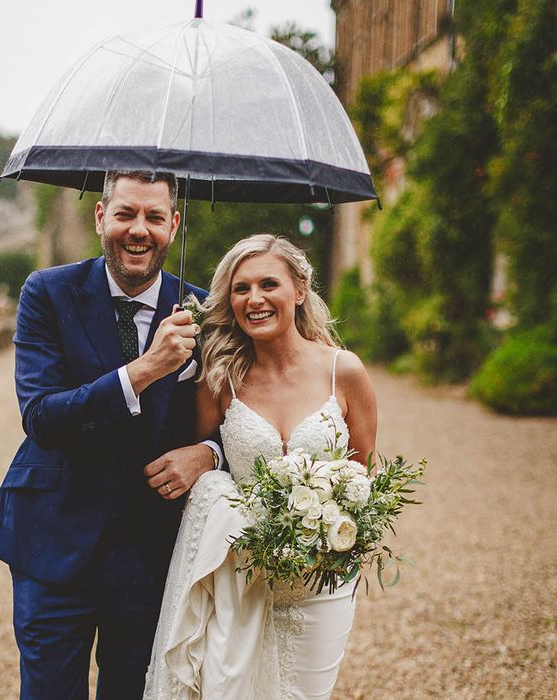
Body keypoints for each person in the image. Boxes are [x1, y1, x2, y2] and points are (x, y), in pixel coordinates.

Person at [0, 170, 222, 699]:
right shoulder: (46, 293)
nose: (139, 230)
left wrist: (208, 454)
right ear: (100, 217)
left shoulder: (204, 311)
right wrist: (146, 368)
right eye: (126, 213)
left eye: (154, 217)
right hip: (54, 536)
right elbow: (41, 415)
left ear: (174, 226)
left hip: (150, 545)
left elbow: (240, 415)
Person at [144, 234, 378, 699]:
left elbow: (362, 473)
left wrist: (332, 542)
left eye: (268, 284)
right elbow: (206, 455)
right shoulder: (220, 378)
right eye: (240, 288)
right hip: (241, 578)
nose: (254, 300)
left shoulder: (344, 371)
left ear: (300, 289)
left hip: (320, 582)